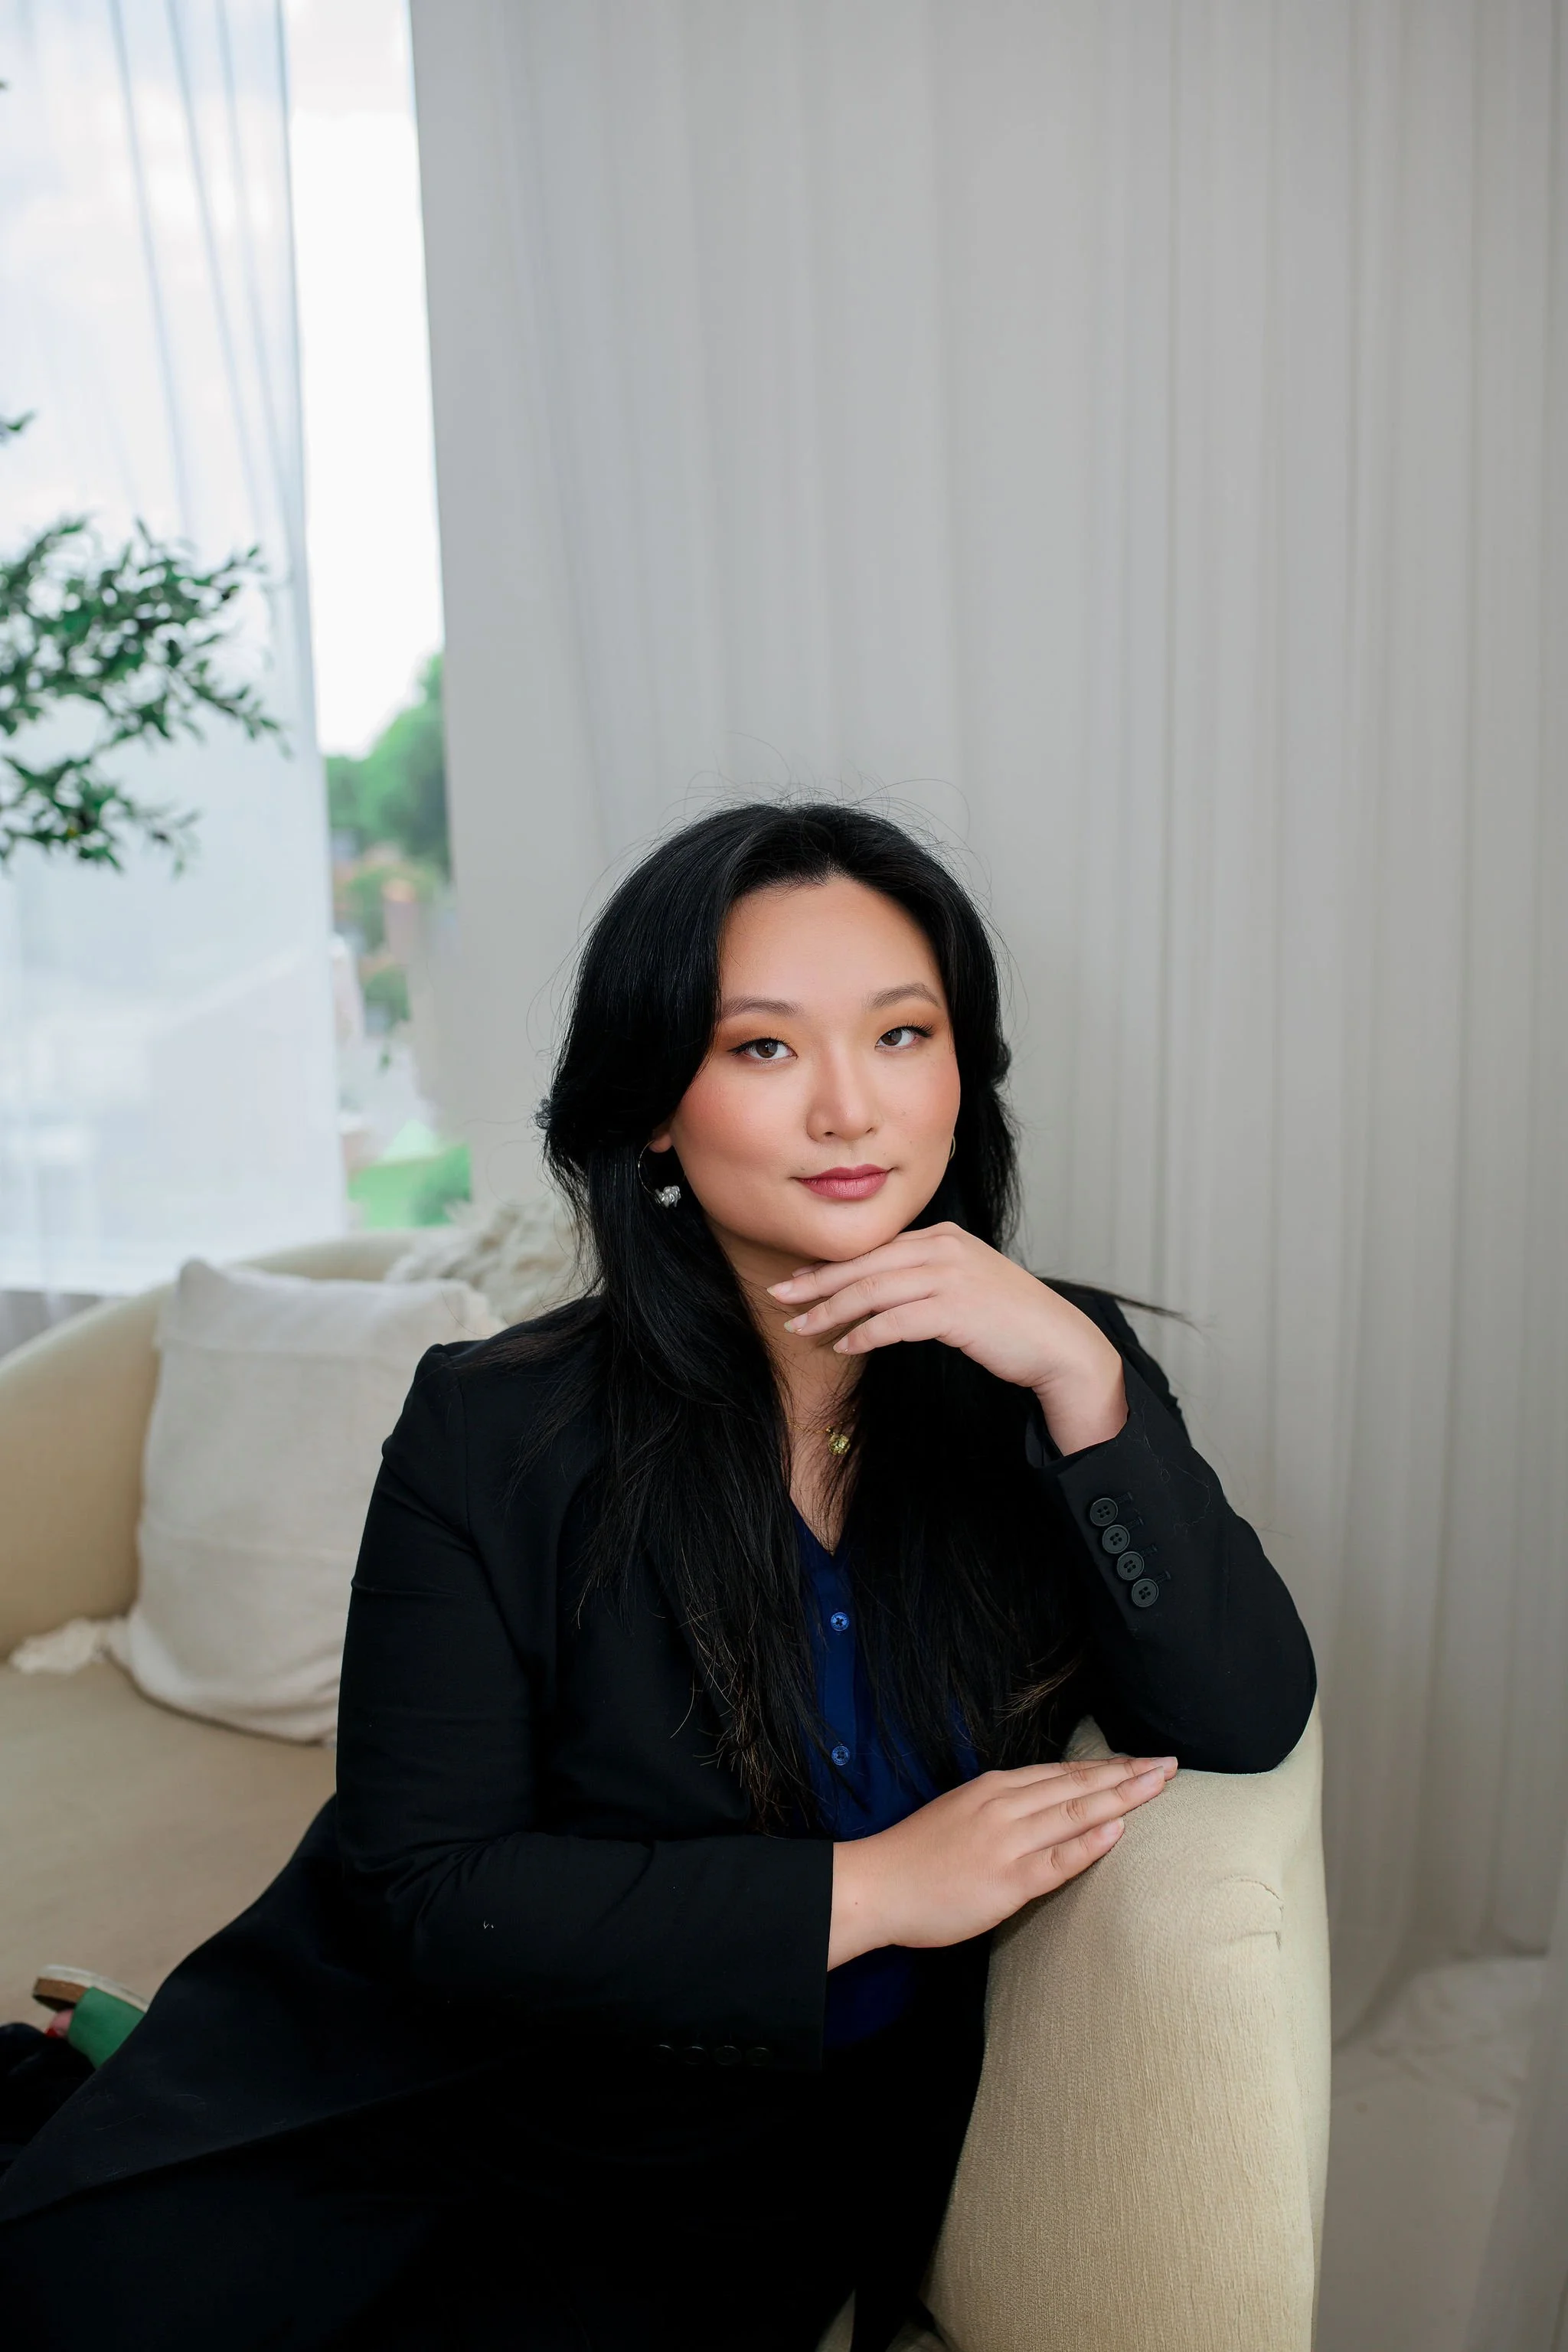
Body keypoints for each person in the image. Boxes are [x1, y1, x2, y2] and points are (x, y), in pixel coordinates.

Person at [0, 802, 1316, 2351]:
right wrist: (878, 1886)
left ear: (965, 1070)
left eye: (902, 1034)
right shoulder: (493, 1425)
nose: (848, 1107)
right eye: (763, 1048)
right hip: (393, 2090)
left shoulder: (1048, 1371)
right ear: (648, 1110)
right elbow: (426, 1889)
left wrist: (1083, 1388)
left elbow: (1241, 1711)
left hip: (720, 2175)